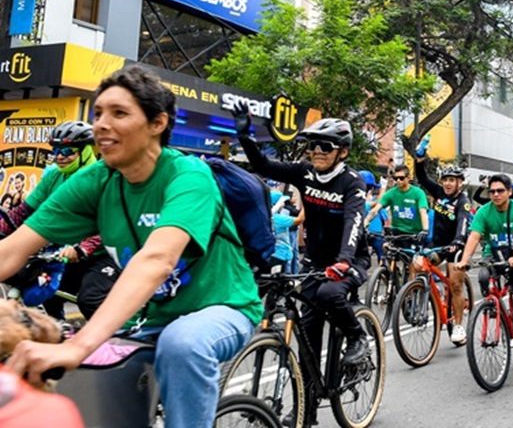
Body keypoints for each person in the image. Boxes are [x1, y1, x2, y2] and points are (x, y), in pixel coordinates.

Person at [0, 66, 263, 427]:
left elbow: (156, 260)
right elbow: (12, 250)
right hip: (152, 319)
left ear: (157, 123)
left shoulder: (189, 177)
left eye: (119, 113)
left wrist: (80, 346)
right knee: (87, 386)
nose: (101, 125)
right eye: (98, 113)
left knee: (181, 345)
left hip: (223, 308)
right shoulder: (97, 180)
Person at [233, 110, 371, 370]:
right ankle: (308, 403)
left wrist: (343, 260)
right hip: (314, 261)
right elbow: (264, 165)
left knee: (329, 293)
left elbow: (354, 223)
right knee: (307, 334)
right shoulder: (304, 172)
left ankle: (357, 336)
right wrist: (245, 136)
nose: (317, 151)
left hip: (349, 259)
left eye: (325, 146)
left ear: (342, 152)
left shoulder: (352, 183)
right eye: (312, 145)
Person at [0, 121, 120, 321]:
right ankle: (57, 335)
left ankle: (115, 344)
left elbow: (111, 224)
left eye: (67, 151)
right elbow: (23, 212)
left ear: (86, 152)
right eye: (55, 151)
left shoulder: (101, 178)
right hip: (63, 251)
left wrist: (83, 248)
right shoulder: (54, 176)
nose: (60, 157)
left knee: (90, 299)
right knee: (45, 292)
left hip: (104, 253)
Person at [455, 174, 513, 363]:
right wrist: (464, 261)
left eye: (500, 191)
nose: (495, 194)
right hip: (493, 253)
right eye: (492, 191)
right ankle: (492, 305)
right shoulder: (484, 211)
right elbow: (474, 237)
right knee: (483, 276)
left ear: (509, 192)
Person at [414, 157, 472, 343]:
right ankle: (428, 295)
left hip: (456, 246)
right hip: (438, 245)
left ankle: (458, 326)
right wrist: (419, 161)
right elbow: (422, 178)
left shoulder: (463, 201)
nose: (447, 183)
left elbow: (463, 221)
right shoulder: (438, 193)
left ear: (459, 183)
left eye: (452, 180)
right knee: (418, 265)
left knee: (455, 285)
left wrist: (458, 240)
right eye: (445, 179)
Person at [365, 165, 429, 245]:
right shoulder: (391, 193)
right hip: (396, 233)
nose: (398, 180)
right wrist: (366, 222)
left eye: (401, 178)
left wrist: (425, 230)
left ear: (408, 177)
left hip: (415, 234)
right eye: (396, 178)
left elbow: (423, 212)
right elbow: (375, 210)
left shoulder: (418, 193)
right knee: (387, 251)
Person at [359, 170, 388, 264]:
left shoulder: (355, 200)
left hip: (365, 233)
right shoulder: (363, 203)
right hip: (373, 234)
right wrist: (383, 187)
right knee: (381, 256)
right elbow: (378, 202)